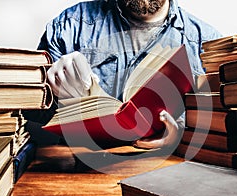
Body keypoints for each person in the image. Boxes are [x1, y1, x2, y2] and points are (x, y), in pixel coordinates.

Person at [23, 0, 222, 149]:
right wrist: (53, 93)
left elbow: (221, 126)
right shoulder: (68, 27)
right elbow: (31, 113)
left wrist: (180, 136)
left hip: (170, 169)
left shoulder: (209, 44)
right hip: (77, 169)